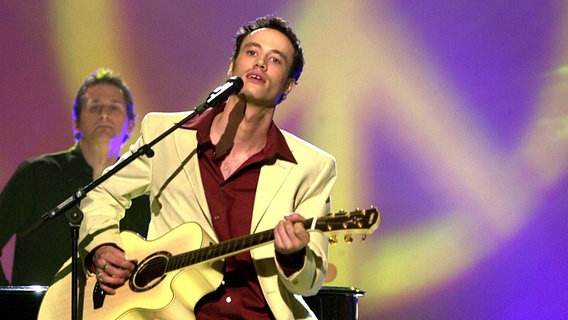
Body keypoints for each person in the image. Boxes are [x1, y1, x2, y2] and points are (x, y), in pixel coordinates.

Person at [79, 16, 337, 319]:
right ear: (232, 65)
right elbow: (102, 193)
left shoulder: (312, 167)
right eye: (252, 53)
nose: (260, 64)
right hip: (170, 312)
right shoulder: (168, 134)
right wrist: (103, 245)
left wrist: (293, 256)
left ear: (289, 85)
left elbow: (309, 282)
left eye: (275, 60)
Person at [0, 69, 150, 286]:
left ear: (132, 123)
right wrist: (12, 303)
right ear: (77, 121)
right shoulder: (37, 174)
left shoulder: (144, 187)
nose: (104, 115)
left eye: (114, 107)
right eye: (95, 107)